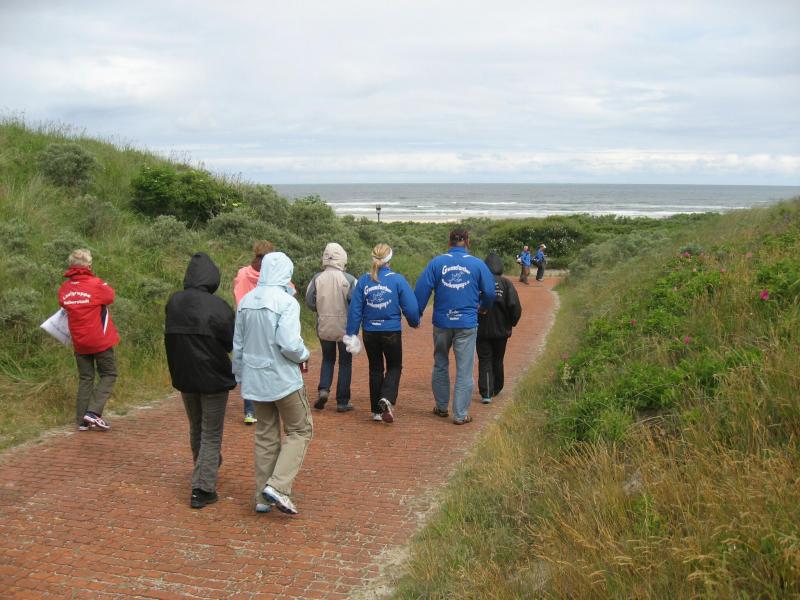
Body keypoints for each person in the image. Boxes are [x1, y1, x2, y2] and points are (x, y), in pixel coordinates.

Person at [233, 252, 312, 516]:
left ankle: (262, 496)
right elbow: (289, 343)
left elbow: (238, 344)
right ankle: (278, 486)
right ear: (286, 273)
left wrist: (240, 375)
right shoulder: (286, 302)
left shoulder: (246, 301)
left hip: (255, 378)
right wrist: (304, 354)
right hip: (282, 378)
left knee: (266, 434)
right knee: (300, 430)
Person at [165, 253, 236, 509]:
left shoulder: (174, 302)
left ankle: (204, 468)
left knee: (196, 426)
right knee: (211, 432)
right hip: (213, 375)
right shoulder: (219, 306)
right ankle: (203, 488)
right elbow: (230, 342)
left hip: (184, 373)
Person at [414, 229, 496, 425]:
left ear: (449, 242)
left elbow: (422, 290)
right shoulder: (477, 264)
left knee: (440, 363)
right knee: (464, 370)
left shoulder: (436, 263)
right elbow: (490, 292)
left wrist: (416, 315)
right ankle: (460, 414)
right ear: (468, 241)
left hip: (442, 322)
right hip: (466, 323)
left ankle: (442, 407)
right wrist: (484, 307)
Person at [344, 244, 420, 423]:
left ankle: (376, 411)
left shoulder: (364, 281)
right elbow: (411, 306)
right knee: (394, 366)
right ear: (389, 259)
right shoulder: (398, 280)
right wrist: (414, 321)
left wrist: (351, 334)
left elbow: (355, 310)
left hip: (370, 331)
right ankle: (387, 398)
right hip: (391, 331)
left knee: (375, 368)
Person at [58, 248, 119, 432]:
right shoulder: (96, 284)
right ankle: (93, 412)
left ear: (71, 266)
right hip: (99, 340)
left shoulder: (65, 288)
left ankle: (82, 420)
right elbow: (110, 296)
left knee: (86, 378)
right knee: (109, 374)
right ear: (88, 266)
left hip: (79, 341)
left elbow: (62, 302)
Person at [305, 243, 357, 412]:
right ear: (342, 258)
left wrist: (320, 309)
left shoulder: (317, 278)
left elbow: (309, 301)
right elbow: (355, 304)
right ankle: (342, 401)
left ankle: (323, 390)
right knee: (345, 363)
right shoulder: (349, 279)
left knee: (327, 359)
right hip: (345, 327)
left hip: (324, 325)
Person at [233, 240, 275, 425]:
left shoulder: (243, 273)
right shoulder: (273, 274)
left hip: (246, 320)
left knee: (248, 363)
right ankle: (267, 403)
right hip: (267, 321)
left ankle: (250, 411)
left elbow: (237, 295)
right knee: (268, 362)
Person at [477, 253, 522, 404]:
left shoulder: (479, 283)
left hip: (481, 330)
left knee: (484, 359)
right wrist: (512, 323)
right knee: (498, 359)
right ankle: (497, 387)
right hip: (501, 331)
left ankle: (486, 393)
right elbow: (515, 307)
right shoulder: (506, 284)